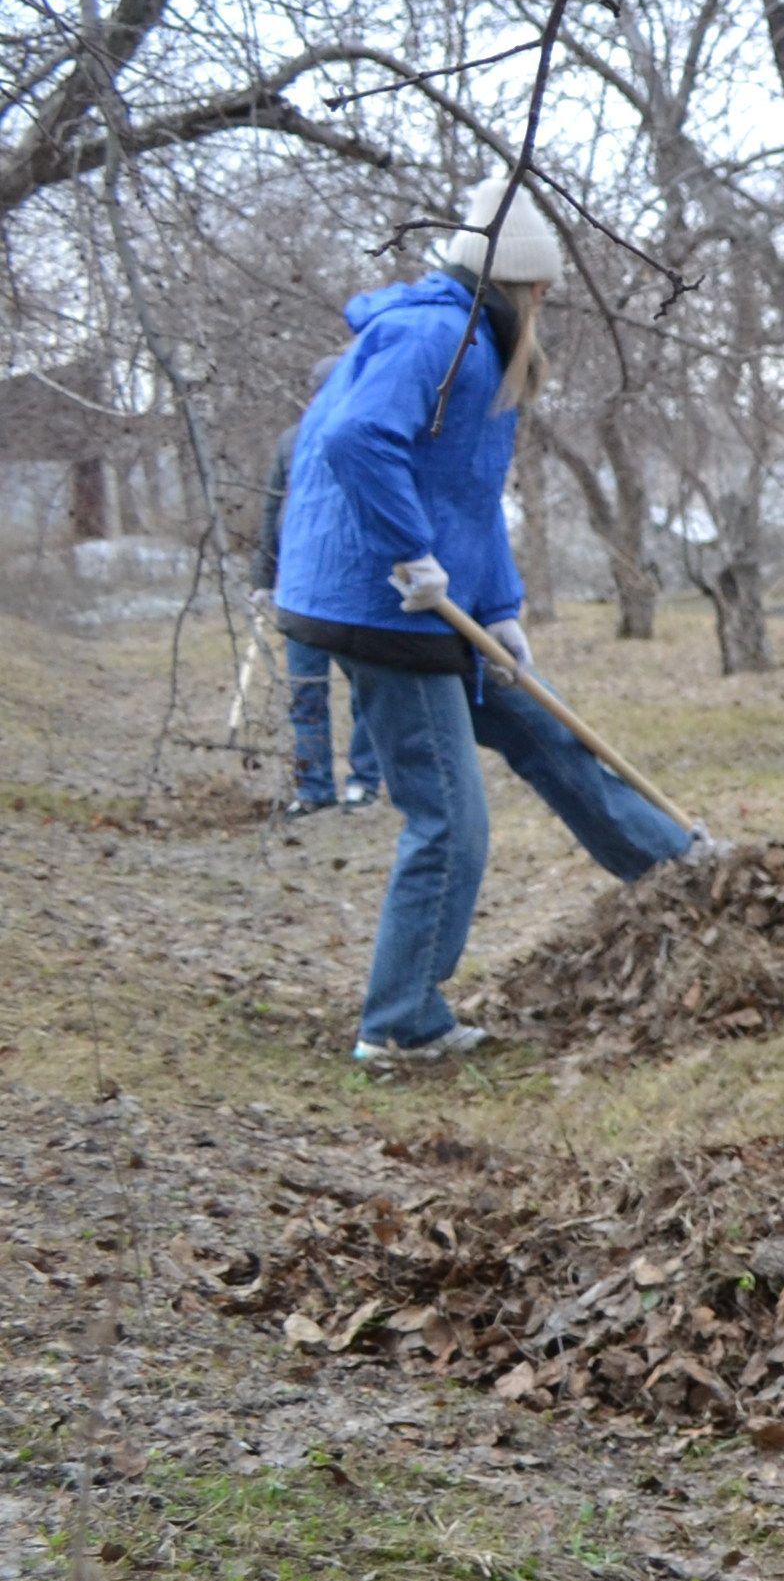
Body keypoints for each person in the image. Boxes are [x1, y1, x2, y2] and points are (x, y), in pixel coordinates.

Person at [274, 176, 700, 1063]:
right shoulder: (440, 334)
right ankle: (399, 1024)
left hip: (439, 606)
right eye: (540, 290)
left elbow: (469, 497)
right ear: (517, 286)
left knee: (548, 734)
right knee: (450, 820)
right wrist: (408, 554)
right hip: (384, 611)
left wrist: (499, 609)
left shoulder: (477, 347)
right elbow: (357, 440)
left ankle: (687, 880)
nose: (545, 303)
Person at [253, 428, 380, 815]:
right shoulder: (291, 440)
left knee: (366, 690)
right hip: (299, 590)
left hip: (354, 590)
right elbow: (273, 510)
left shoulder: (369, 431)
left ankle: (364, 782)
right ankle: (313, 789)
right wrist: (262, 578)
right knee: (306, 693)